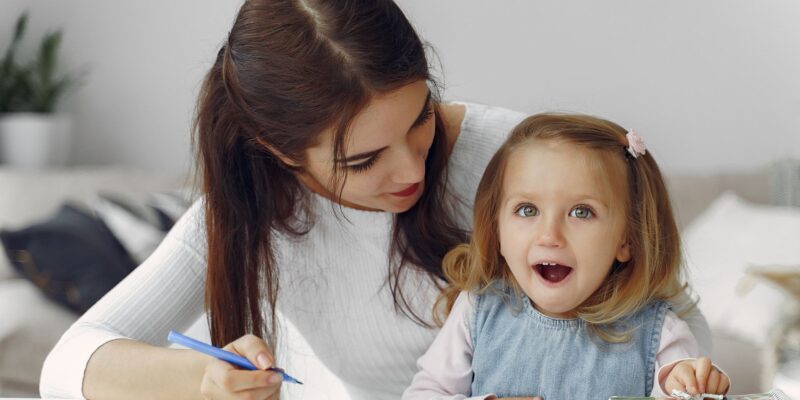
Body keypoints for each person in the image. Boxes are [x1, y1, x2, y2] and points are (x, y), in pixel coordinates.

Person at [40, 1, 713, 400]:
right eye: (362, 160)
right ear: (279, 152)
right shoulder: (249, 211)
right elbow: (66, 364)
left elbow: (666, 315)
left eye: (421, 117)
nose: (412, 165)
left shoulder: (524, 163)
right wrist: (202, 379)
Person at [403, 114, 730, 400]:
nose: (549, 235)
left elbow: (685, 389)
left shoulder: (660, 334)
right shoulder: (478, 311)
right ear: (497, 231)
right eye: (527, 210)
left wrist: (694, 385)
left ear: (626, 239)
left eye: (581, 212)